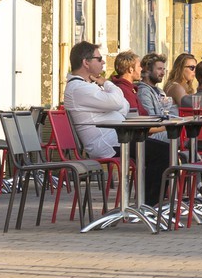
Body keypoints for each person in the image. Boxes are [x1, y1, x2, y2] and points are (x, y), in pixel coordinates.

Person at [64, 42, 169, 205]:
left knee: (162, 150)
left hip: (117, 139)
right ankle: (149, 204)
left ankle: (150, 202)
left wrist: (110, 95)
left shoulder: (87, 86)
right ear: (86, 62)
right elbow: (117, 102)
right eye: (99, 59)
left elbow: (123, 106)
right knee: (163, 152)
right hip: (108, 144)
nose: (103, 63)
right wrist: (106, 83)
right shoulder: (80, 88)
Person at [135, 52, 179, 122]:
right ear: (148, 70)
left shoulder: (160, 91)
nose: (163, 73)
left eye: (163, 69)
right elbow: (150, 122)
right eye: (159, 69)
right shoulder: (144, 92)